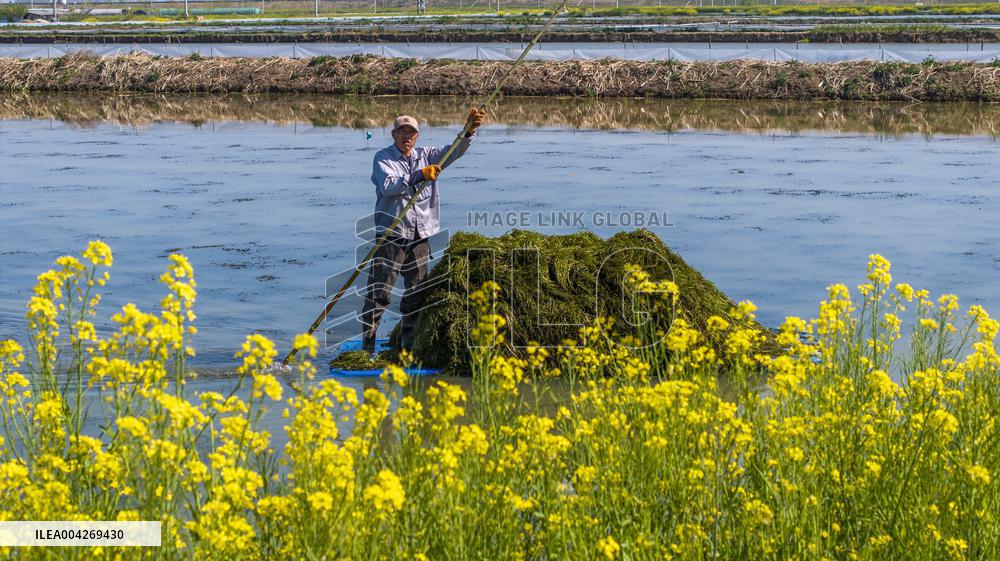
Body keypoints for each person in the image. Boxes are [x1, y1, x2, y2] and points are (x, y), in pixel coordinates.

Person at [361, 108, 486, 356]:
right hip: (392, 235)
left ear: (417, 137)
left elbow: (455, 150)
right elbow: (388, 187)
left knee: (416, 293)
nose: (406, 137)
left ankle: (410, 348)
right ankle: (367, 349)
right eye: (402, 132)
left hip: (420, 236)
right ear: (394, 134)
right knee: (380, 294)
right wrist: (419, 175)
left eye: (411, 133)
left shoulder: (428, 155)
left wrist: (469, 130)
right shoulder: (382, 158)